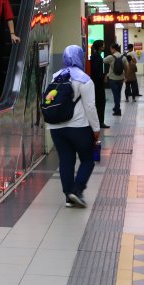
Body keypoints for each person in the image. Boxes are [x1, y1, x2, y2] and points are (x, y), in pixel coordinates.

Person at [48, 45, 100, 208]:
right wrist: (96, 129)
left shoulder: (56, 76)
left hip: (56, 128)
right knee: (87, 159)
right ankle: (77, 191)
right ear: (80, 57)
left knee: (65, 160)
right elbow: (90, 107)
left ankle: (68, 196)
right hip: (79, 127)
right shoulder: (84, 79)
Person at [89, 40, 109, 127]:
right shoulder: (97, 57)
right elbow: (96, 71)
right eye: (103, 45)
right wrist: (103, 76)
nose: (104, 46)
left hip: (96, 83)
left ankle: (99, 122)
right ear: (100, 47)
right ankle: (100, 122)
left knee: (98, 103)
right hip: (98, 84)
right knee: (100, 103)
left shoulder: (95, 56)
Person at [104, 43, 127, 116]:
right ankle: (116, 107)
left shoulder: (111, 57)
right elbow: (127, 68)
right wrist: (126, 77)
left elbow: (103, 60)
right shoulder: (123, 57)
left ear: (113, 49)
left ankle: (117, 109)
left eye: (111, 48)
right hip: (121, 78)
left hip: (113, 79)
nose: (110, 50)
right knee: (118, 94)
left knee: (115, 94)